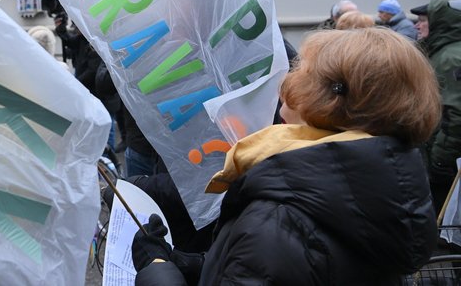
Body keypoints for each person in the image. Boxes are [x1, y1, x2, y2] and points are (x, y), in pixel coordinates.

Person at [132, 27, 440, 285]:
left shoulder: (280, 216)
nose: (286, 80)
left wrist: (157, 270)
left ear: (327, 99)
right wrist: (199, 266)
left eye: (301, 70)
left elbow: (279, 260)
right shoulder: (383, 181)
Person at [410, 0, 461, 213]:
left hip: (448, 161)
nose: (417, 25)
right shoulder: (442, 52)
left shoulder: (450, 58)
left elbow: (456, 113)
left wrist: (440, 160)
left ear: (442, 23)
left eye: (423, 20)